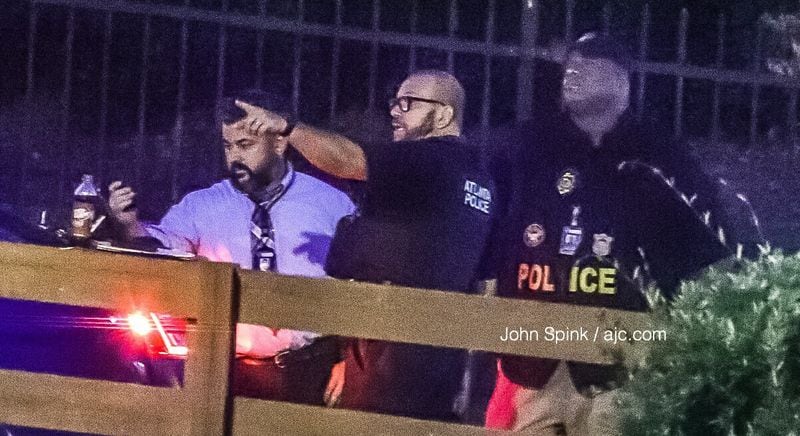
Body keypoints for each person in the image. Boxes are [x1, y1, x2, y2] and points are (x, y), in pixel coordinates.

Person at [483, 33, 746, 434]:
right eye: (570, 61)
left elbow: (707, 250)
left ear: (623, 80)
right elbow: (490, 230)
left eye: (589, 61)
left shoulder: (661, 157)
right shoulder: (526, 147)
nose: (573, 68)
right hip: (532, 361)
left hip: (623, 366)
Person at [232, 70, 496, 421]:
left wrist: (287, 127)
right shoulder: (478, 177)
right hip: (435, 349)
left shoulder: (428, 158)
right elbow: (482, 273)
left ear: (444, 115)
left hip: (392, 343)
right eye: (394, 102)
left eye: (409, 103)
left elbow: (347, 161)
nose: (395, 112)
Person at [106, 89, 356, 407]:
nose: (233, 158)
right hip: (226, 370)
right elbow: (166, 250)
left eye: (245, 145)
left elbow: (357, 284)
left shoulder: (329, 204)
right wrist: (129, 226)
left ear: (279, 143)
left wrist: (348, 359)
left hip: (311, 367)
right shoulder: (204, 205)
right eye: (227, 146)